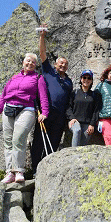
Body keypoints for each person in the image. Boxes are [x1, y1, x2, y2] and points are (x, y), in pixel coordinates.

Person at [0, 53, 49, 183]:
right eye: (28, 61)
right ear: (23, 62)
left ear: (36, 65)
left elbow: (43, 96)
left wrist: (44, 112)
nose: (30, 63)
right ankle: (9, 172)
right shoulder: (14, 78)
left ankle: (18, 171)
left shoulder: (38, 78)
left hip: (26, 109)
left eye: (33, 62)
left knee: (18, 138)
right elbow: (4, 95)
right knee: (7, 141)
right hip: (8, 108)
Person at [30, 24, 73, 174]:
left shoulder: (68, 81)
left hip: (60, 116)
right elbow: (42, 52)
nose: (63, 64)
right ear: (55, 64)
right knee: (39, 141)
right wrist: (42, 36)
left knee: (54, 142)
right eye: (61, 62)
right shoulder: (48, 71)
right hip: (45, 112)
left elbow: (68, 101)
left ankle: (47, 170)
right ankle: (35, 169)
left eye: (66, 64)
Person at [66, 70, 99, 147]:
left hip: (87, 124)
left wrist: (92, 124)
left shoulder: (94, 95)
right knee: (77, 131)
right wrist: (72, 118)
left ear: (91, 81)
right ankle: (72, 154)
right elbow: (68, 107)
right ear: (81, 79)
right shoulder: (75, 93)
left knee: (82, 146)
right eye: (84, 77)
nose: (86, 80)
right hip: (75, 121)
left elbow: (96, 111)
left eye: (89, 78)